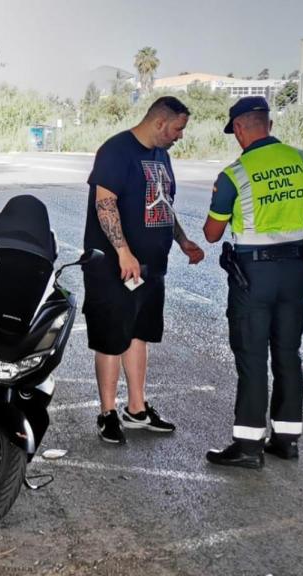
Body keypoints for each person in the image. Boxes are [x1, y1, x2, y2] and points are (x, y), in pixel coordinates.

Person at [203, 96, 303, 469]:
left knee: (252, 358)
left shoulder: (234, 174)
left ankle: (248, 446)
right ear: (268, 125)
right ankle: (286, 440)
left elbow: (211, 233)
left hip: (253, 277)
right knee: (288, 352)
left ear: (240, 128)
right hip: (296, 272)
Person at [83, 96, 205, 444]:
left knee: (139, 333)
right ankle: (107, 413)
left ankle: (136, 409)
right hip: (113, 267)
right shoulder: (117, 151)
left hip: (151, 267)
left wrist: (182, 241)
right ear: (159, 123)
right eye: (178, 129)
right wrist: (123, 251)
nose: (180, 136)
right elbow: (104, 203)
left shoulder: (161, 156)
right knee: (110, 337)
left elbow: (162, 203)